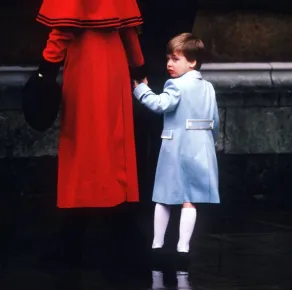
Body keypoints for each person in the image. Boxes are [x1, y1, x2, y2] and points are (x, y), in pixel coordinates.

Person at [23, 0, 147, 268]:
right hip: (115, 65)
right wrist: (138, 67)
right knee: (116, 149)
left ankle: (71, 241)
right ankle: (124, 238)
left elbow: (63, 26)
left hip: (84, 67)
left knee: (80, 150)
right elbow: (127, 28)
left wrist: (46, 70)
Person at [133, 33, 220, 271]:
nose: (169, 64)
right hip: (200, 146)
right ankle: (183, 249)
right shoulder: (208, 87)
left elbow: (161, 105)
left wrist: (142, 90)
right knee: (190, 200)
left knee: (164, 197)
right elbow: (215, 120)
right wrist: (208, 143)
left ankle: (157, 245)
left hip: (176, 146)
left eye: (175, 59)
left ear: (192, 62)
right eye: (169, 59)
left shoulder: (175, 85)